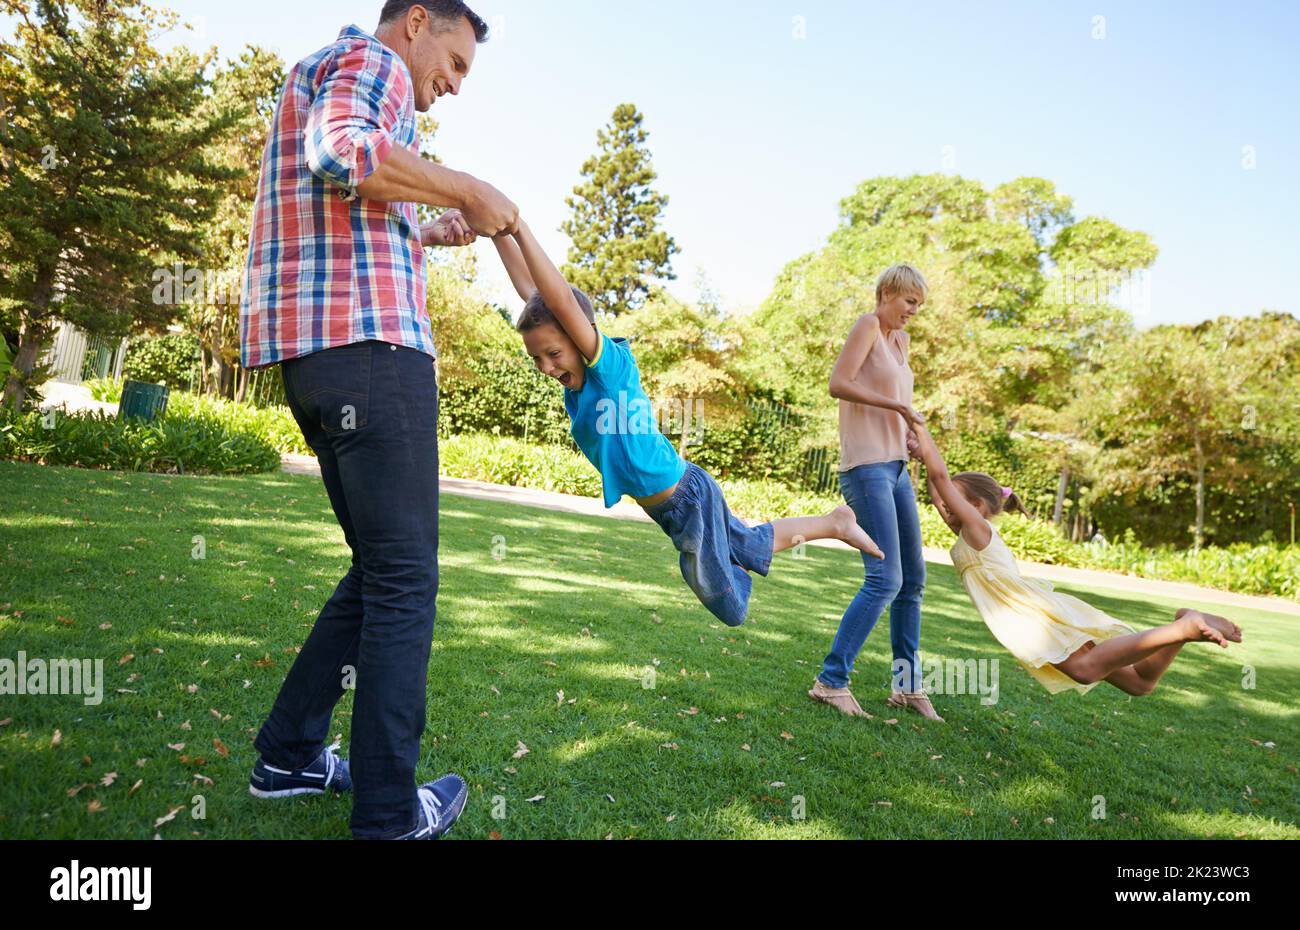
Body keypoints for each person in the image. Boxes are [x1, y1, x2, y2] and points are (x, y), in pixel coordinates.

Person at [240, 0, 519, 840]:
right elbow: (344, 151)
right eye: (458, 62)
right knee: (405, 581)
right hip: (372, 352)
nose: (456, 85)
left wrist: (425, 226)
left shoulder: (323, 69)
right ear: (417, 21)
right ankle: (391, 815)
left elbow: (342, 196)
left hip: (318, 361)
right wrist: (467, 185)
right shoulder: (377, 65)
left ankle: (288, 753)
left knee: (379, 569)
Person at [489, 222, 885, 627]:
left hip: (687, 501)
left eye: (553, 354)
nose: (546, 367)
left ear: (580, 336)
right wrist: (496, 230)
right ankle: (836, 523)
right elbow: (532, 295)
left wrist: (519, 228)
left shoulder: (608, 368)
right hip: (677, 504)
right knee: (748, 545)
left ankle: (741, 558)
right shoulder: (577, 382)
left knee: (729, 608)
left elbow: (557, 299)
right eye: (536, 359)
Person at [909, 423, 1243, 696]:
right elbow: (938, 491)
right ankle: (1184, 624)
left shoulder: (977, 529)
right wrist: (922, 460)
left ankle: (1181, 627)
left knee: (1085, 670)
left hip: (1028, 615)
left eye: (953, 502)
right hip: (1031, 610)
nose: (943, 507)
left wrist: (923, 434)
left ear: (978, 507)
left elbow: (941, 481)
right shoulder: (970, 532)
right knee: (1139, 683)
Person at [809, 265, 942, 721]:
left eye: (918, 305)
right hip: (865, 468)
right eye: (909, 301)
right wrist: (898, 406)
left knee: (914, 581)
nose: (913, 311)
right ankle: (831, 681)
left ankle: (906, 687)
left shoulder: (901, 343)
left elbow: (894, 399)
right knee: (885, 579)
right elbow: (838, 384)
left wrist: (907, 430)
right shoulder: (867, 325)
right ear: (887, 293)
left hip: (897, 467)